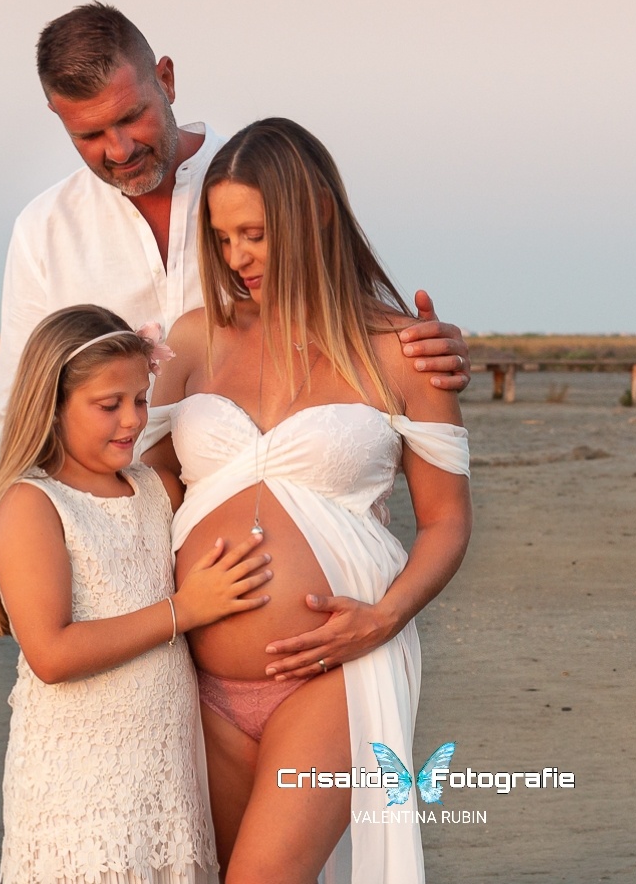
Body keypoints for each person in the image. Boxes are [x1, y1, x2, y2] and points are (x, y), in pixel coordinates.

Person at [141, 118, 472, 883]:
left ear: (317, 212)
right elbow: (146, 484)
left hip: (334, 674)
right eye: (222, 239)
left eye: (254, 233)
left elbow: (448, 521)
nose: (237, 258)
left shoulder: (402, 350)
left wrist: (383, 619)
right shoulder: (193, 343)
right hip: (190, 674)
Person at [0, 2, 471, 449]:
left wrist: (422, 351)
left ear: (167, 79)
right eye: (90, 135)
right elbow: (18, 415)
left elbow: (345, 315)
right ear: (59, 117)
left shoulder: (264, 185)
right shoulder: (42, 229)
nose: (119, 150)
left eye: (132, 117)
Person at [0, 304, 275, 884]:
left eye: (140, 398)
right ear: (52, 405)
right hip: (80, 791)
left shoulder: (157, 489)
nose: (132, 420)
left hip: (167, 780)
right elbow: (52, 654)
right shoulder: (32, 506)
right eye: (109, 405)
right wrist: (184, 610)